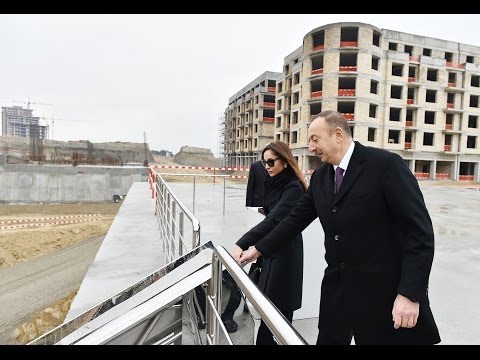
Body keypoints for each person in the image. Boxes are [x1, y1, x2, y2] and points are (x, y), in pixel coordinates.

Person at [237, 110, 441, 345]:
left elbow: (419, 233)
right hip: (338, 291)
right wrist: (257, 249)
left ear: (337, 134)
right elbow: (293, 220)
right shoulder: (322, 177)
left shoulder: (385, 165)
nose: (311, 147)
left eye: (315, 139)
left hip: (383, 294)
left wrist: (409, 294)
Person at [233, 141, 307, 345]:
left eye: (271, 162)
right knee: (269, 315)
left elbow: (274, 219)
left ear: (284, 161)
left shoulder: (293, 188)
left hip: (285, 257)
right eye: (264, 162)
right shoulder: (274, 183)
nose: (267, 167)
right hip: (270, 252)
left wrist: (243, 243)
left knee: (280, 318)